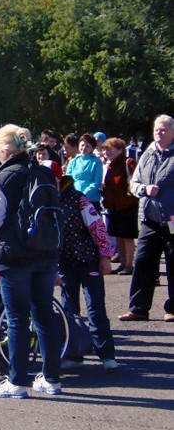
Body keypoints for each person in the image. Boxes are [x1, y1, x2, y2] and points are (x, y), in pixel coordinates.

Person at [0, 124, 62, 398]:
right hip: (46, 252)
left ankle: (16, 381)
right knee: (44, 315)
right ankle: (51, 378)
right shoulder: (44, 172)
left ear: (5, 150)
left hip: (14, 256)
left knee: (16, 317)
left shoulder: (3, 176)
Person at [56, 175, 118, 370]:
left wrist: (105, 256)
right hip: (64, 264)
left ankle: (107, 355)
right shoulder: (44, 200)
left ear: (59, 179)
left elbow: (97, 226)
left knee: (96, 308)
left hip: (88, 260)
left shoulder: (78, 198)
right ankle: (74, 354)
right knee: (69, 311)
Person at [120, 114, 174, 323]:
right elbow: (133, 184)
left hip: (172, 219)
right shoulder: (148, 154)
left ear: (172, 132)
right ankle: (138, 309)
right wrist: (144, 189)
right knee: (142, 262)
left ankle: (172, 309)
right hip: (149, 219)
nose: (159, 133)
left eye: (163, 129)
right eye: (156, 129)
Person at [101, 137, 139, 275]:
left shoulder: (128, 163)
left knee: (127, 236)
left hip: (127, 205)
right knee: (118, 236)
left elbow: (135, 181)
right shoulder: (109, 165)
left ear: (120, 150)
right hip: (114, 206)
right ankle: (123, 263)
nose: (107, 152)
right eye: (105, 149)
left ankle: (129, 265)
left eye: (110, 149)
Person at [66, 134, 104, 210]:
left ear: (93, 148)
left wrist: (83, 195)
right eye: (82, 145)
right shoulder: (73, 161)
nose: (84, 148)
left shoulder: (97, 162)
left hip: (91, 199)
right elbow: (67, 179)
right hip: (74, 199)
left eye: (87, 146)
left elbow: (96, 182)